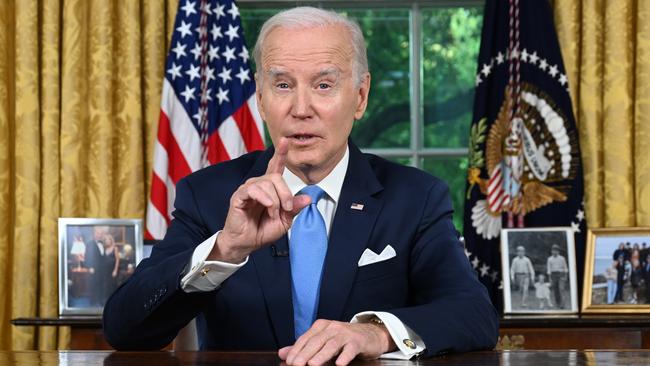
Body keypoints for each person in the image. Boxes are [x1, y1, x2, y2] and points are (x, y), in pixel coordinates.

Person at [102, 7, 498, 364]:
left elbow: (474, 313)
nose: (301, 109)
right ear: (259, 96)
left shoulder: (416, 197)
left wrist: (374, 334)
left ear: (360, 96)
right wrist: (226, 248)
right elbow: (125, 329)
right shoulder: (208, 195)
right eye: (283, 85)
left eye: (323, 85)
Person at [85, 226, 107, 306]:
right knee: (93, 285)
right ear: (94, 234)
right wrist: (89, 267)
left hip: (102, 269)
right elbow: (87, 256)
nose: (99, 235)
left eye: (101, 233)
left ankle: (100, 300)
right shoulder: (89, 244)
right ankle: (92, 301)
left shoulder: (103, 244)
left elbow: (103, 257)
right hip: (93, 269)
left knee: (101, 285)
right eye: (98, 233)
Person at [547, 244, 569, 309]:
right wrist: (550, 278)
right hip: (553, 275)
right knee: (556, 290)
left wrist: (566, 276)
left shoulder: (562, 258)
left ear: (558, 251)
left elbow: (565, 268)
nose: (555, 252)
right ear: (551, 251)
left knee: (561, 289)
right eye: (553, 250)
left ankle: (563, 304)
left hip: (561, 274)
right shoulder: (549, 259)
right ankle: (558, 303)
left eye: (556, 250)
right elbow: (549, 269)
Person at [102, 234, 121, 301]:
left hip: (112, 269)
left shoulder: (115, 248)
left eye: (109, 239)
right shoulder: (104, 248)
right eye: (106, 240)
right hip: (105, 270)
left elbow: (117, 260)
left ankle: (113, 300)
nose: (107, 241)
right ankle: (106, 299)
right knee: (106, 285)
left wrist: (115, 270)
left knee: (112, 285)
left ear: (111, 240)